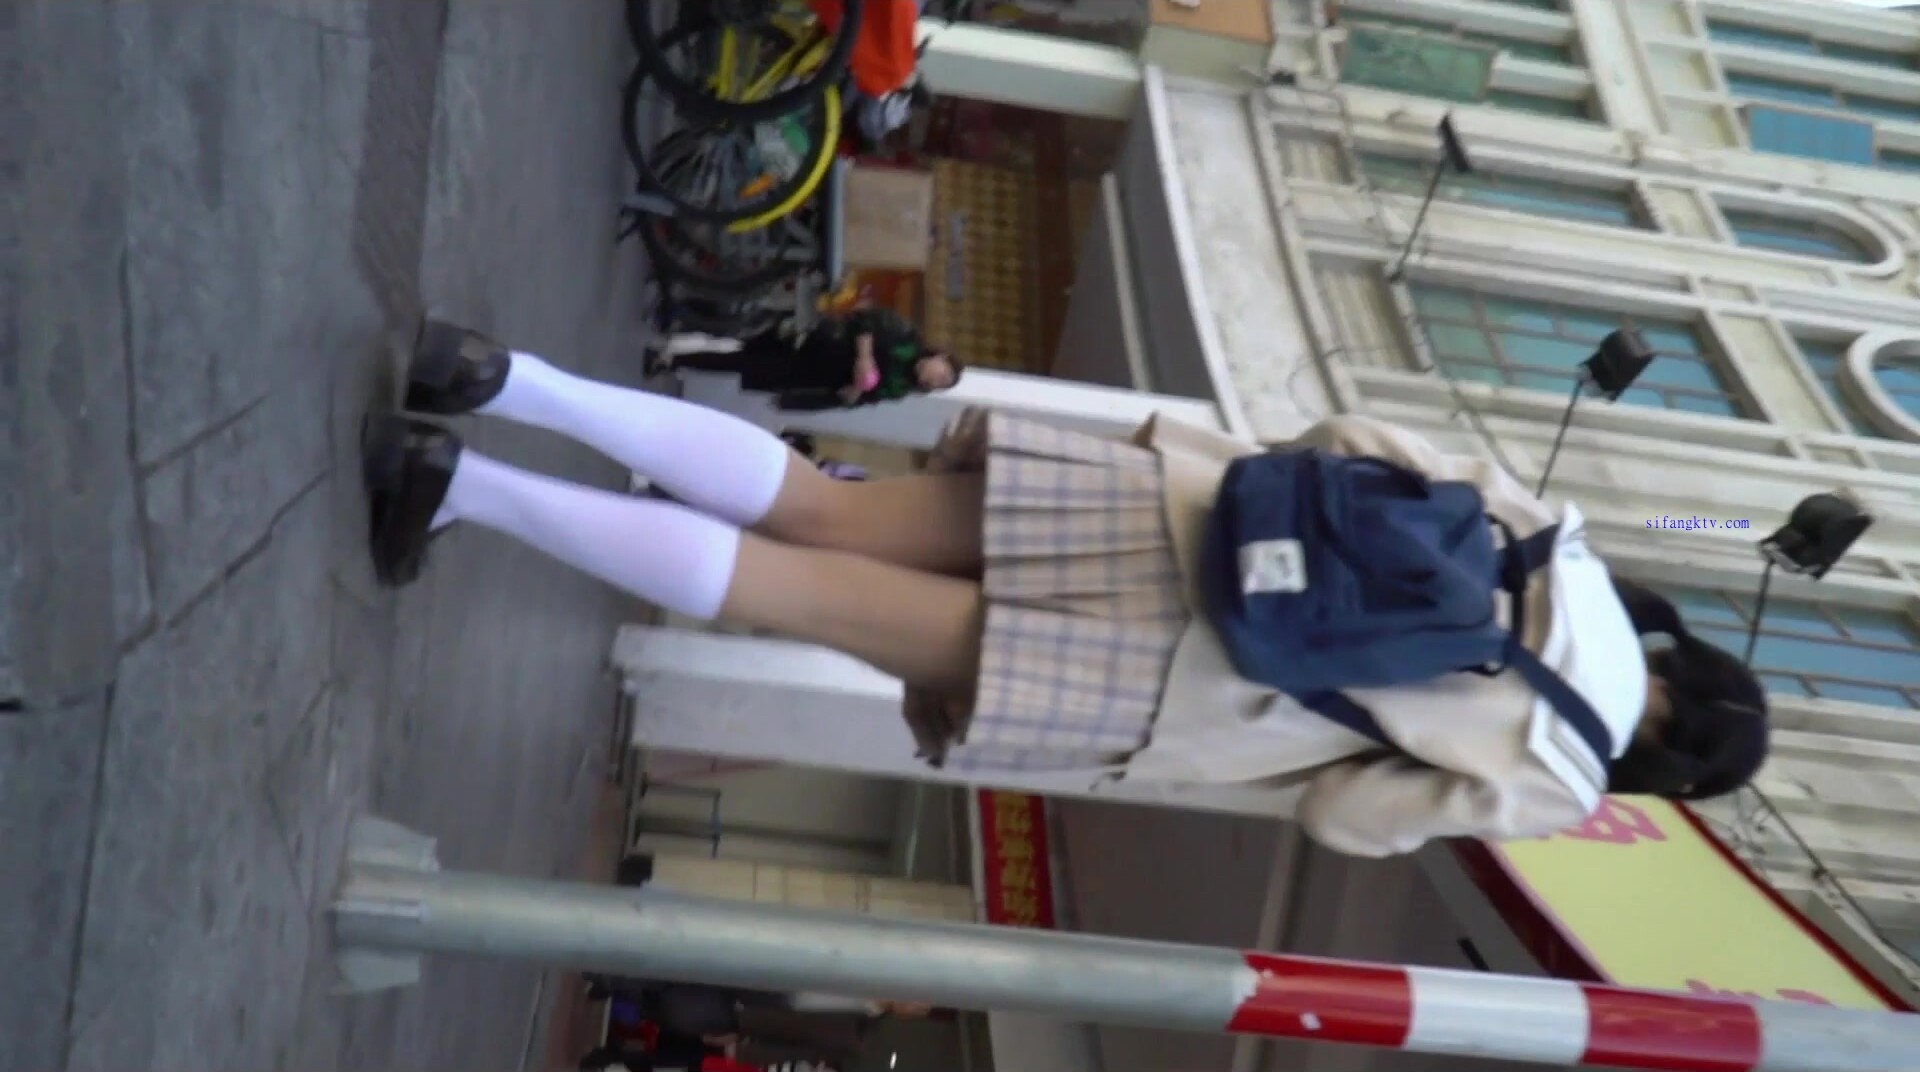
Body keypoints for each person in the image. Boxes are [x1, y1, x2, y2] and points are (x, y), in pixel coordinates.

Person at [366, 319, 1770, 858]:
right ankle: (463, 486)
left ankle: (503, 376)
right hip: (1175, 679)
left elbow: (1356, 440)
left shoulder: (1568, 548)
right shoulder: (1558, 777)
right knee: (792, 593)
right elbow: (1347, 817)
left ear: (1685, 663)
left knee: (819, 503)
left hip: (1176, 511)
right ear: (1669, 771)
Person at [650, 308, 962, 412]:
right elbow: (866, 320)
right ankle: (682, 316)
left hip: (808, 373)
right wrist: (865, 357)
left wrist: (853, 391)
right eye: (942, 374)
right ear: (940, 356)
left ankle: (673, 360)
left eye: (939, 384)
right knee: (743, 330)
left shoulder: (898, 388)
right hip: (814, 338)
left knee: (739, 363)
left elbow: (852, 401)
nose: (935, 380)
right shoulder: (906, 337)